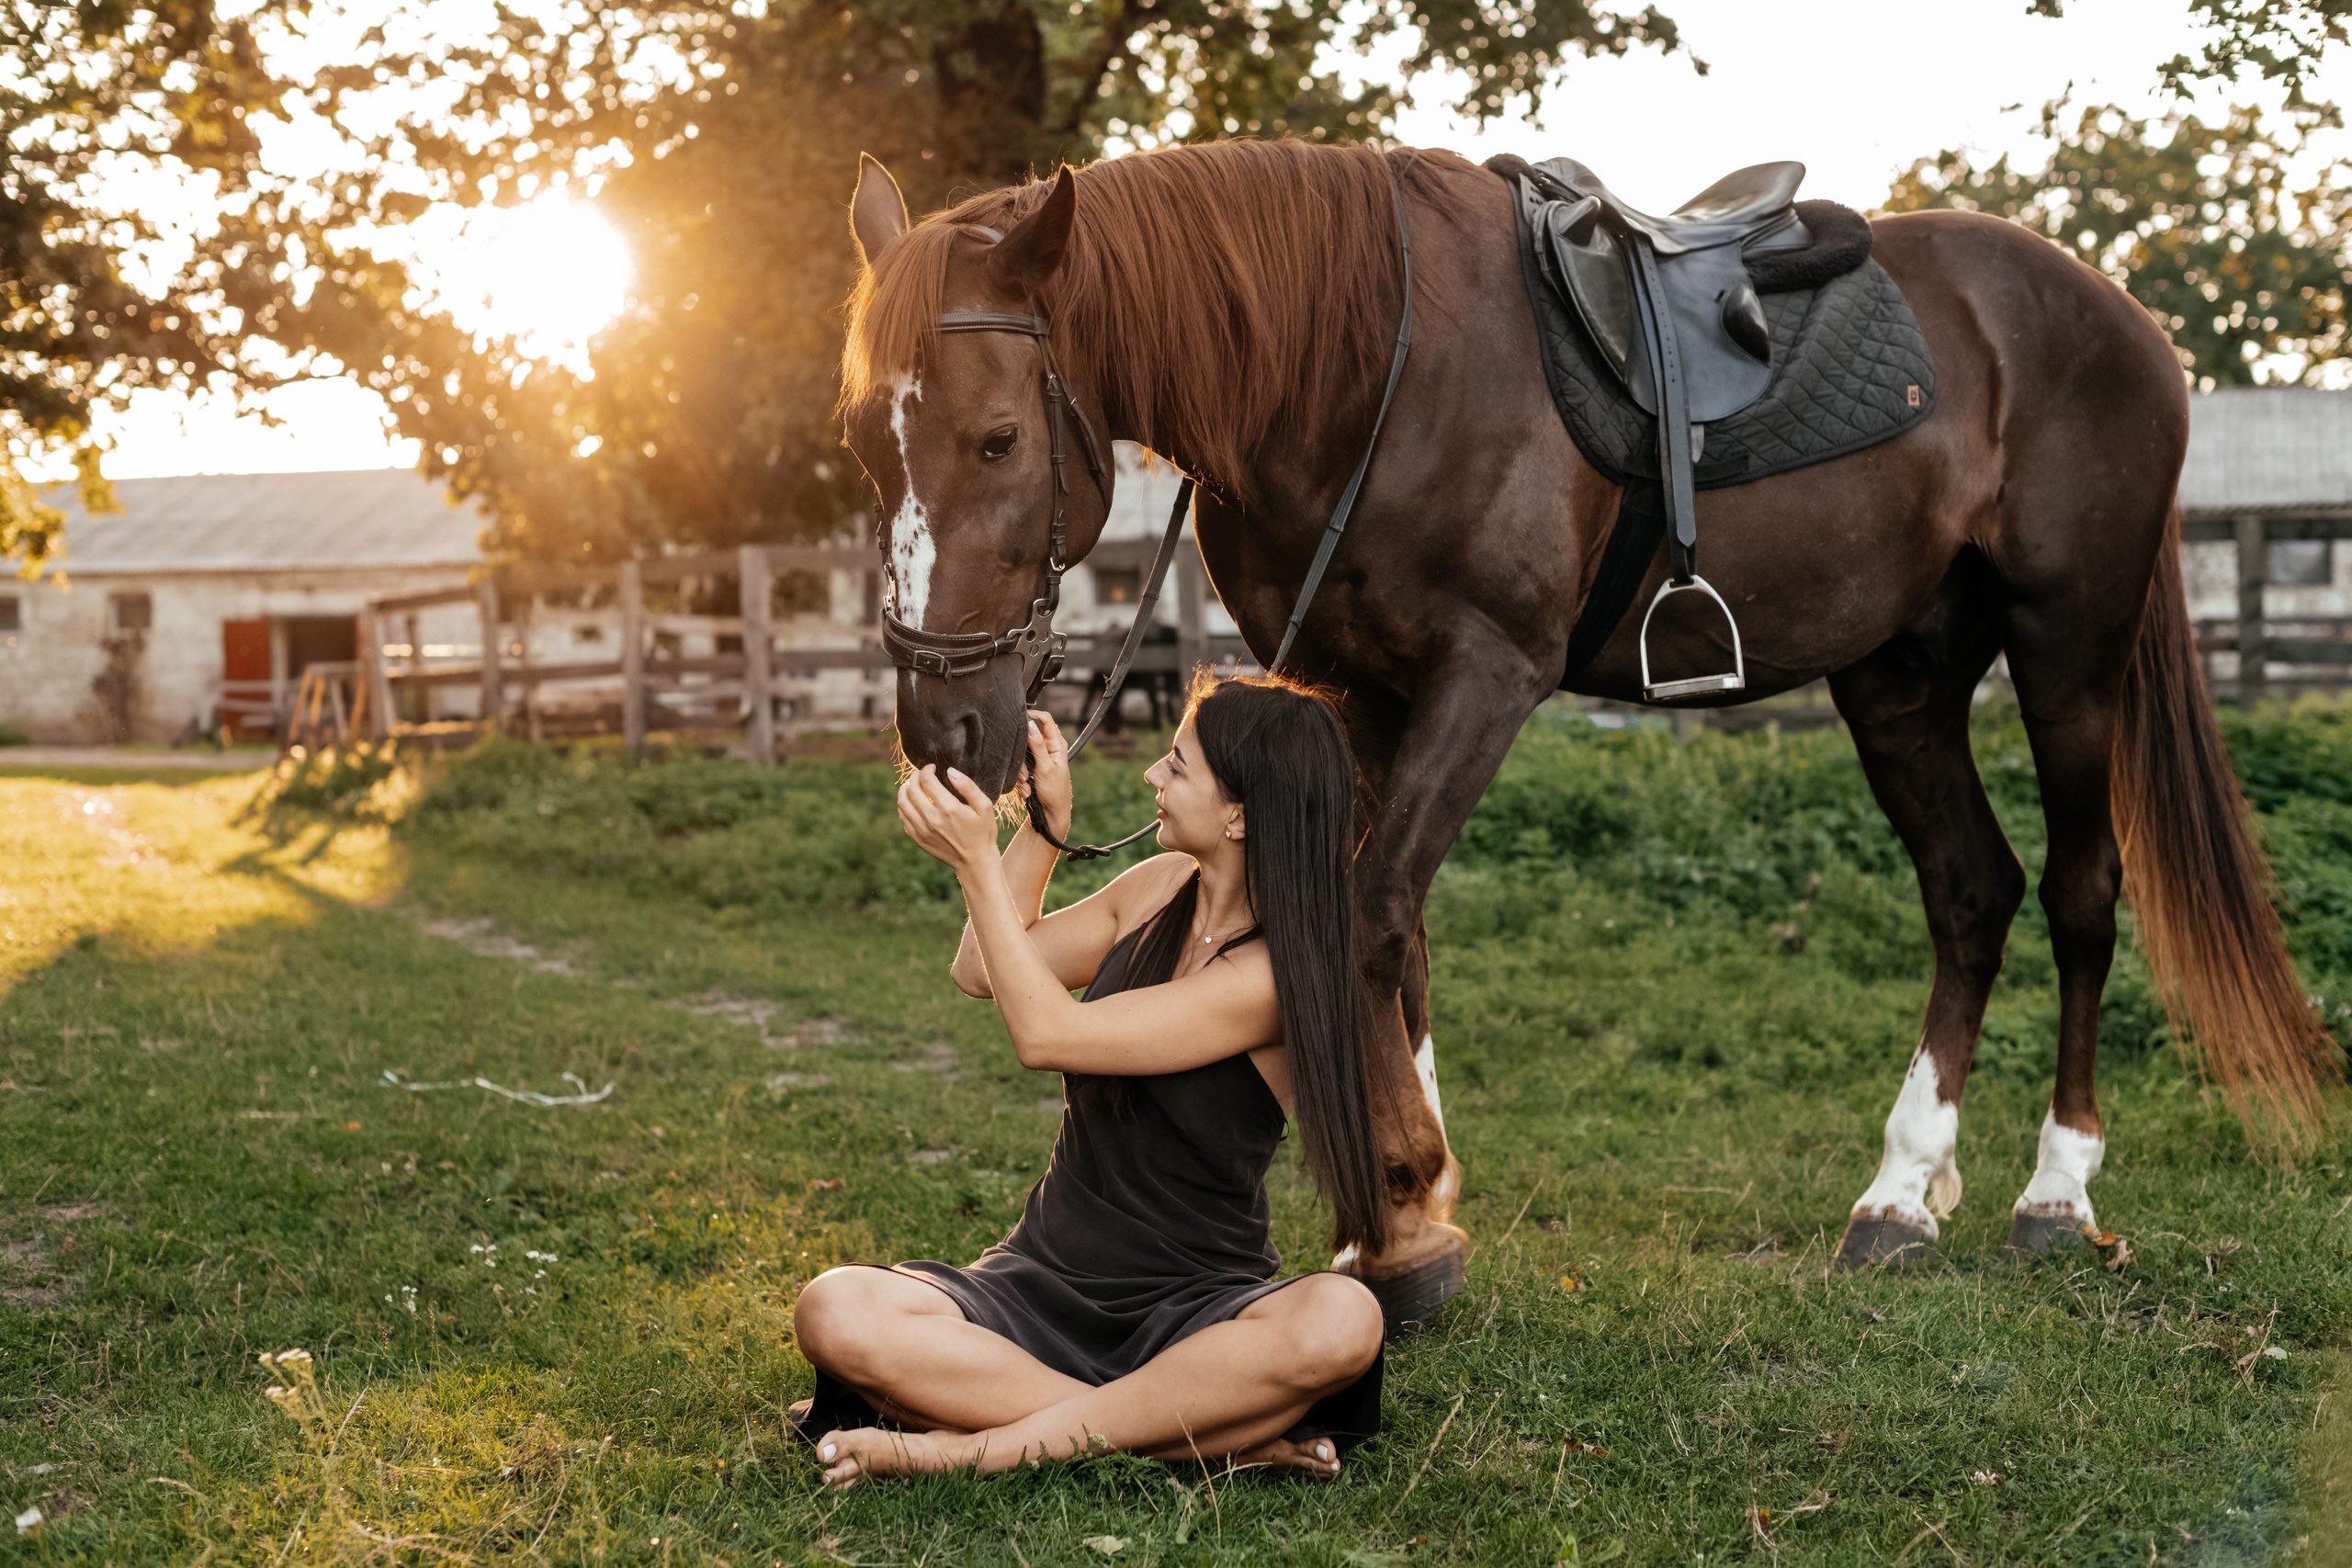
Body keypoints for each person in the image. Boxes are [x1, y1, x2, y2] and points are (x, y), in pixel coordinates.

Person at [789, 677, 1391, 1490]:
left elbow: (1047, 1034)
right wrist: (1039, 832)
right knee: (833, 1306)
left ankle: (970, 1447)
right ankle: (1191, 1436)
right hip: (1041, 1277)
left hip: (1192, 1304)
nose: (1152, 775)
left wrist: (973, 861)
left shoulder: (1273, 978)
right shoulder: (1155, 889)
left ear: (1240, 814)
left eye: (1178, 766)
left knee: (1343, 1319)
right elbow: (981, 970)